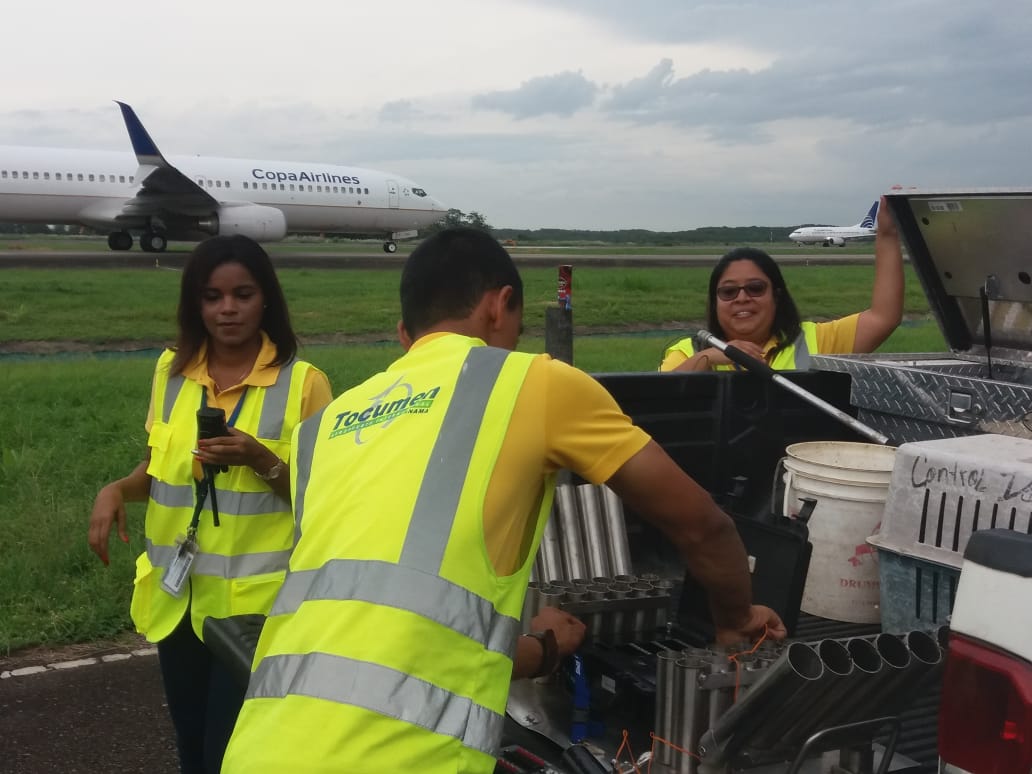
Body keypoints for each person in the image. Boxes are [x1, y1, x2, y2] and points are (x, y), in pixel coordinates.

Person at [221, 227, 785, 774]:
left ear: (403, 334)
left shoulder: (325, 427)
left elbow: (393, 636)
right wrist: (735, 620)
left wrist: (541, 649)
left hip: (257, 745)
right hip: (404, 756)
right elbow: (702, 526)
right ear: (501, 305)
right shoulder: (531, 382)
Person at [87, 235, 332, 774]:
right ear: (195, 305)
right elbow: (157, 471)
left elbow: (324, 500)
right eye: (212, 296)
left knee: (231, 754)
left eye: (242, 294)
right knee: (192, 744)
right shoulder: (171, 372)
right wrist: (116, 490)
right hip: (179, 603)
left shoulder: (304, 385)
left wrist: (258, 457)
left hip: (255, 612)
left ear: (265, 298)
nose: (227, 309)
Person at [660, 195, 904, 372]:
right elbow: (658, 400)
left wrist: (888, 236)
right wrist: (709, 357)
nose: (742, 298)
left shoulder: (814, 340)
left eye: (755, 288)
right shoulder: (688, 351)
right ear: (715, 301)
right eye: (728, 291)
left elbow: (884, 317)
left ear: (776, 296)